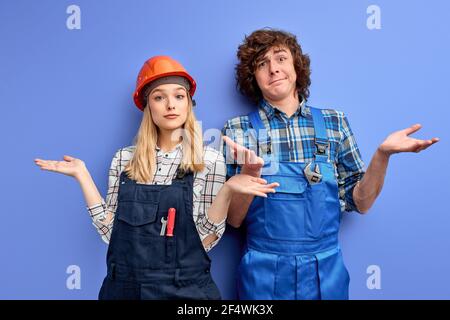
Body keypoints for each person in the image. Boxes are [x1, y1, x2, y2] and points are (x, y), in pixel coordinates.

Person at [35, 55, 278, 300]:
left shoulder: (209, 160)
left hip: (186, 290)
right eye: (159, 97)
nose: (170, 105)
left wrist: (227, 191)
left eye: (178, 96)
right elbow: (111, 233)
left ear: (188, 104)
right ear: (147, 106)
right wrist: (82, 175)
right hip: (124, 290)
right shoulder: (124, 159)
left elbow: (205, 241)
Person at [221, 29, 439, 300]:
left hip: (325, 271)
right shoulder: (238, 130)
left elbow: (361, 202)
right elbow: (233, 219)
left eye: (280, 59)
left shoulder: (334, 122)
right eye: (262, 64)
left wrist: (382, 155)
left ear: (296, 67)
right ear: (253, 77)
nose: (273, 69)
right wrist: (247, 176)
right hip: (262, 274)